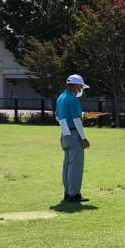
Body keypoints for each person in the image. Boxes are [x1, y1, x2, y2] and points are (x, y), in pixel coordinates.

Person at [55, 74, 91, 203]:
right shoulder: (73, 99)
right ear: (75, 86)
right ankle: (74, 194)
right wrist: (83, 138)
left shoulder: (61, 98)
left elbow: (57, 117)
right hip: (74, 134)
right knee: (75, 165)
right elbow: (76, 119)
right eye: (81, 87)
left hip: (65, 133)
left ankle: (68, 192)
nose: (81, 89)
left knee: (68, 164)